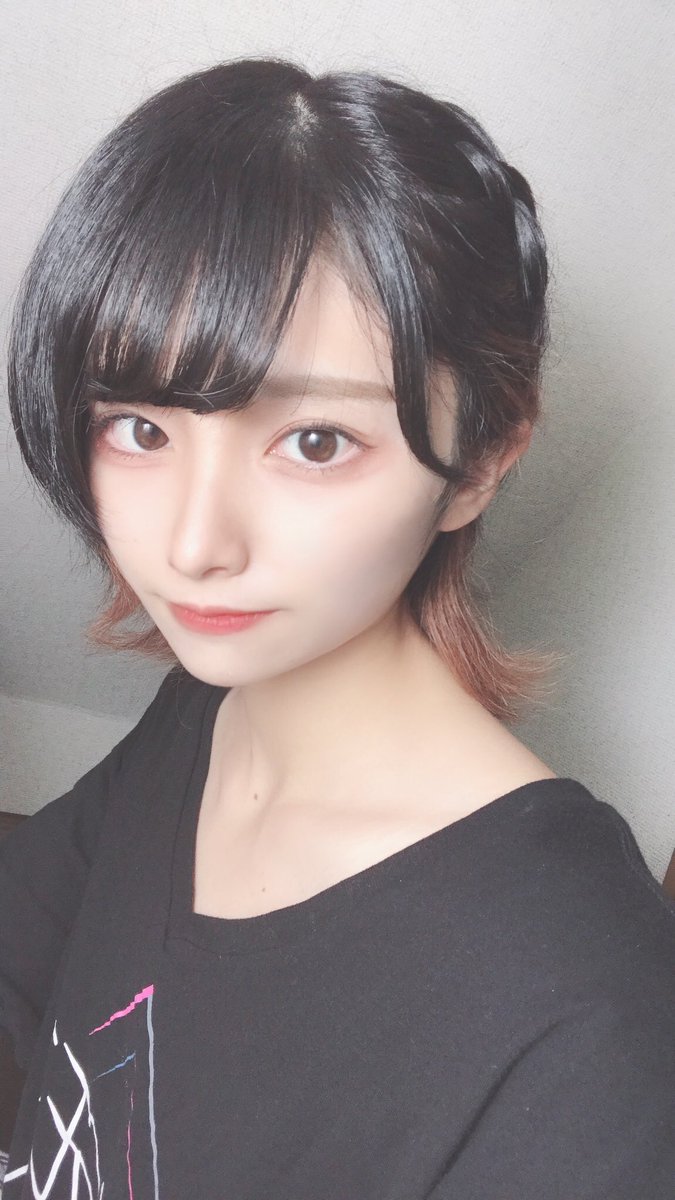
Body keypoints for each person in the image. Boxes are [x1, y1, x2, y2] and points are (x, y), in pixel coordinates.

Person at [1, 57, 674, 1200]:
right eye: (140, 428)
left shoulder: (580, 1021)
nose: (194, 545)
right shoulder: (209, 707)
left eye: (315, 442)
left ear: (481, 461)